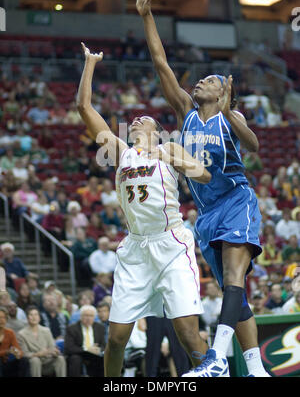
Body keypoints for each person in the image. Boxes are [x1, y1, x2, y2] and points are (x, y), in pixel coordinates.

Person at [137, 0, 269, 377]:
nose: (200, 83)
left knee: (232, 279)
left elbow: (256, 146)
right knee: (234, 294)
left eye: (209, 81)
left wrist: (230, 115)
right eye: (200, 81)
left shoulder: (231, 118)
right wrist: (147, 16)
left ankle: (216, 359)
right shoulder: (187, 111)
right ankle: (255, 369)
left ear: (222, 92)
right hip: (207, 212)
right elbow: (161, 63)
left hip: (236, 201)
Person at [76, 41, 211, 377]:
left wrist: (178, 158)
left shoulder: (170, 149)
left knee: (187, 333)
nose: (135, 120)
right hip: (136, 247)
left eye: (143, 119)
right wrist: (90, 63)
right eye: (133, 119)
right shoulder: (121, 152)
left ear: (157, 131)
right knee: (117, 337)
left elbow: (205, 175)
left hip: (171, 244)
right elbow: (83, 107)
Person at [18, 305, 66, 377]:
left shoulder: (46, 330)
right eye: (31, 315)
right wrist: (38, 354)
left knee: (60, 358)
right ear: (27, 318)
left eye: (36, 314)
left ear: (39, 317)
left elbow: (52, 347)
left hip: (47, 361)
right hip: (33, 362)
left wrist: (55, 352)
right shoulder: (21, 334)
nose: (34, 317)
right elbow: (24, 354)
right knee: (35, 360)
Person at [64, 305, 106, 377]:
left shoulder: (100, 327)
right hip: (79, 353)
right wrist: (87, 349)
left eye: (91, 316)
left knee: (103, 359)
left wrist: (99, 349)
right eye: (86, 315)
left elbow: (103, 345)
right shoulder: (72, 328)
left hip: (94, 355)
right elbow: (69, 348)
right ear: (80, 316)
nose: (88, 318)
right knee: (75, 359)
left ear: (94, 317)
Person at [0, 306, 30, 377]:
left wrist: (17, 353)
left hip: (6, 363)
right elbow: (6, 351)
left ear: (6, 319)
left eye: (3, 317)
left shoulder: (10, 333)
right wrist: (7, 351)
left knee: (24, 361)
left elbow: (19, 350)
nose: (1, 320)